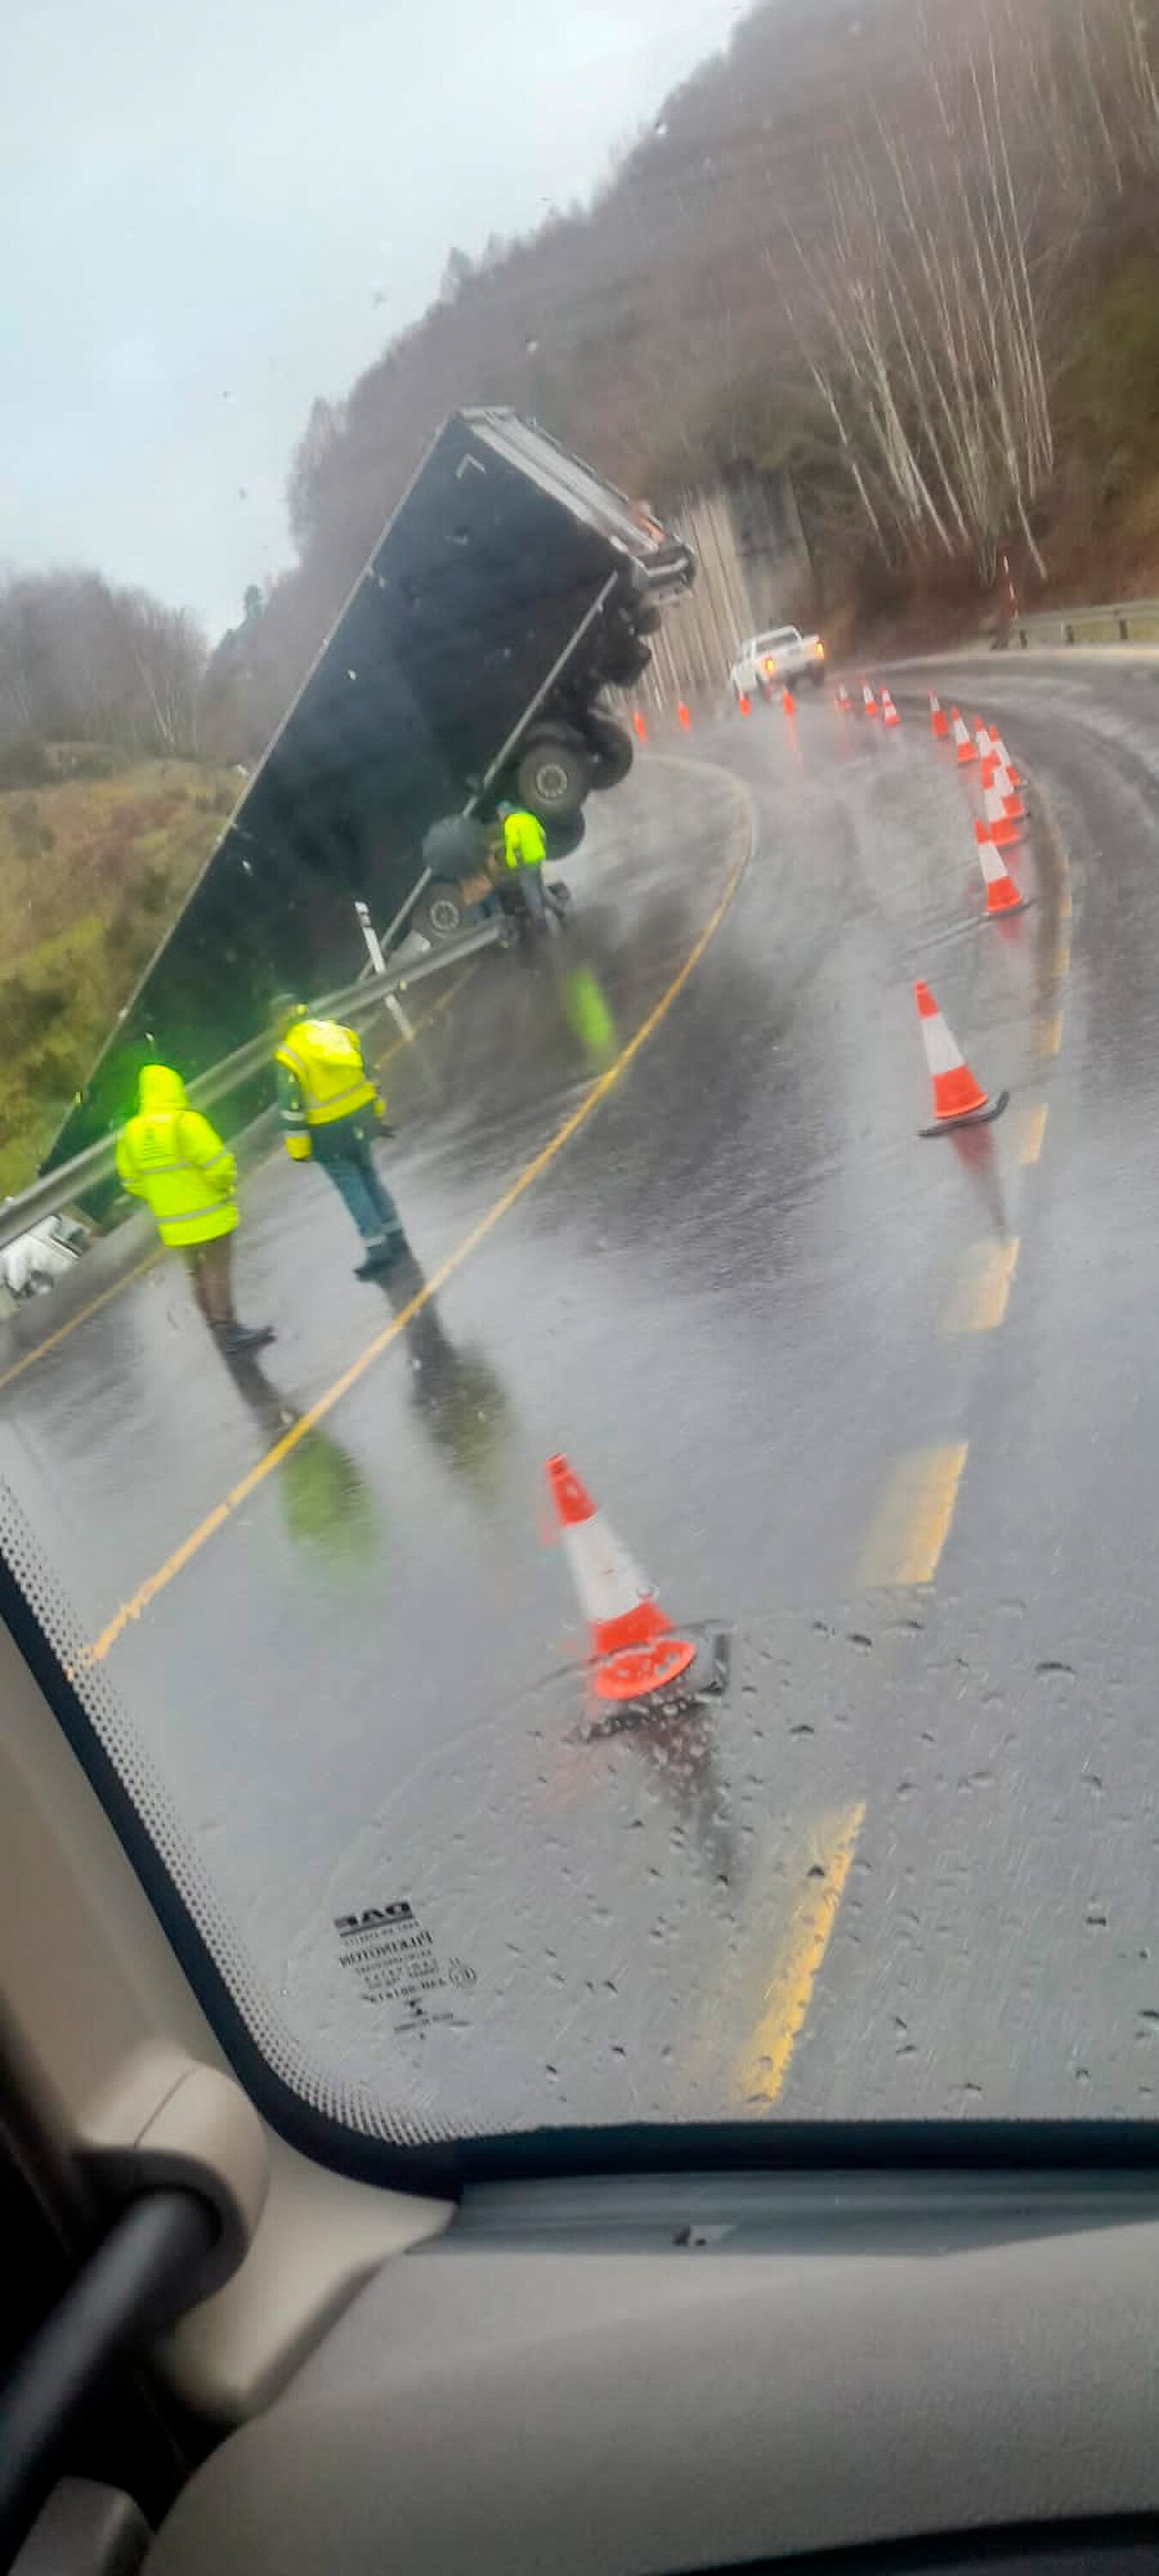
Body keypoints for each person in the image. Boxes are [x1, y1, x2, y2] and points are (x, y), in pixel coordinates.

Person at [115, 1064, 273, 1352]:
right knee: (216, 1269)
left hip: (172, 1224)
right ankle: (228, 1328)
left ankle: (214, 1325)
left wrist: (162, 1197)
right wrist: (224, 1187)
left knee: (195, 1272)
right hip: (209, 1214)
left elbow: (131, 1182)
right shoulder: (185, 1123)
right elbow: (219, 1166)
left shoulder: (131, 1134)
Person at [270, 996, 408, 1278]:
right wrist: (376, 1115)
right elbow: (369, 1074)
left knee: (352, 1187)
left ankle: (377, 1250)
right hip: (360, 1120)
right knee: (369, 1176)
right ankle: (396, 1235)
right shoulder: (339, 1033)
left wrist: (298, 1150)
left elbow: (292, 1108)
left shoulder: (289, 1055)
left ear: (279, 1022)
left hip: (328, 1134)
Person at [497, 800, 549, 927]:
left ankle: (540, 920)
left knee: (531, 892)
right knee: (540, 888)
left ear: (504, 812)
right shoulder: (528, 817)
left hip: (525, 863)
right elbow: (543, 835)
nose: (499, 816)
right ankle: (559, 910)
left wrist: (518, 861)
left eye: (499, 813)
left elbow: (515, 844)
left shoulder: (510, 822)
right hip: (537, 859)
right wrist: (539, 851)